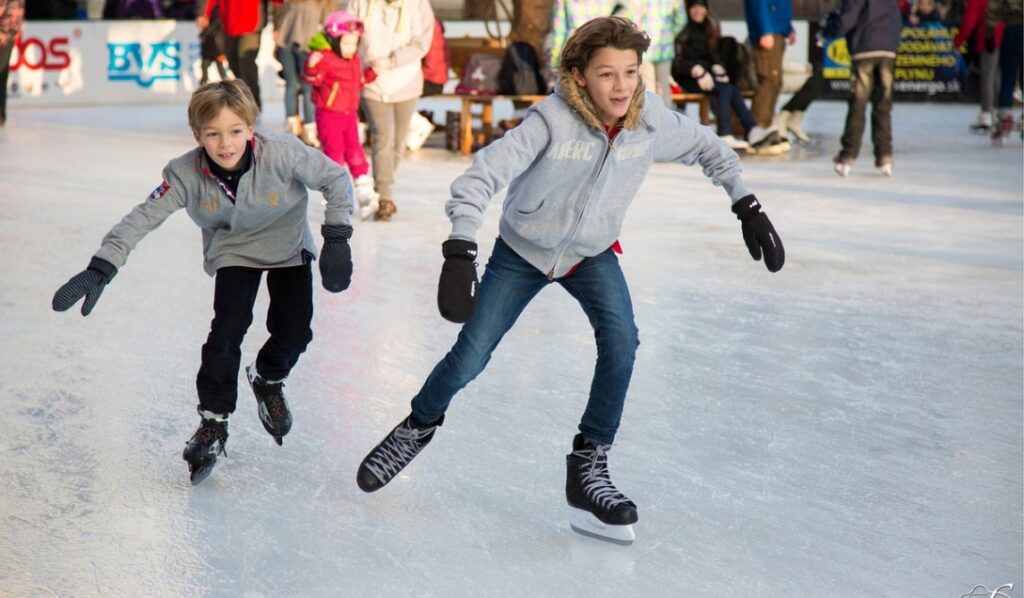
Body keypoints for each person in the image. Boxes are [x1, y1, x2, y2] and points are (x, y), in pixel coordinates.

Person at [353, 16, 784, 546]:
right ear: (579, 76)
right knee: (471, 355)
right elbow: (480, 176)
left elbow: (710, 149)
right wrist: (461, 248)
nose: (622, 85)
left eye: (630, 72)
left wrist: (746, 203)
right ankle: (417, 425)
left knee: (622, 342)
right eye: (607, 74)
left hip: (591, 253)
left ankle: (589, 464)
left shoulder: (649, 122)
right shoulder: (550, 120)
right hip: (522, 251)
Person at [51, 80, 357, 485]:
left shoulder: (282, 153)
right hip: (232, 250)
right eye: (212, 134)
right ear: (198, 135)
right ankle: (213, 421)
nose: (225, 144)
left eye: (234, 131)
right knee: (226, 333)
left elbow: (336, 179)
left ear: (251, 128)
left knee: (295, 331)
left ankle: (267, 376)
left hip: (287, 247)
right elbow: (143, 217)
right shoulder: (183, 174)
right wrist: (102, 265)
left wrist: (337, 235)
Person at [343, 0, 434, 222]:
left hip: (406, 80)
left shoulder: (417, 4)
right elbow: (346, 30)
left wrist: (392, 61)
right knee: (383, 138)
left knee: (399, 143)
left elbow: (422, 42)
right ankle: (385, 197)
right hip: (371, 80)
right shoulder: (360, 3)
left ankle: (381, 186)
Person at [305, 10, 380, 219]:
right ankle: (336, 195)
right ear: (334, 40)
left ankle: (364, 191)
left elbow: (358, 82)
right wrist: (312, 65)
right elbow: (313, 80)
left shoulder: (354, 60)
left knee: (355, 152)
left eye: (354, 44)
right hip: (329, 116)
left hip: (349, 116)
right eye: (346, 44)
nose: (350, 48)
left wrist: (372, 73)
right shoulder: (326, 58)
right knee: (335, 154)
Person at [824, 0, 902, 176]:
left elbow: (848, 17)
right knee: (883, 104)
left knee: (858, 103)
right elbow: (896, 17)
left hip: (864, 47)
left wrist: (828, 31)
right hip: (887, 50)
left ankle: (848, 155)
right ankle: (885, 155)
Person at [672, 0, 759, 151]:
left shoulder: (708, 27)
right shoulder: (683, 29)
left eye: (701, 7)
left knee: (731, 87)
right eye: (694, 7)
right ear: (688, 10)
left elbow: (710, 54)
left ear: (706, 9)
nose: (698, 11)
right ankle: (725, 133)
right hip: (686, 77)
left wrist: (717, 67)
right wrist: (696, 71)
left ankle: (752, 129)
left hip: (705, 74)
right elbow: (678, 61)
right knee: (724, 90)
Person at [274, 0, 328, 147]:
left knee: (303, 87)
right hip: (292, 47)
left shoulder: (320, 3)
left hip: (300, 47)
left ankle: (304, 127)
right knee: (297, 86)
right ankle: (298, 127)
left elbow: (326, 26)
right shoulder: (318, 3)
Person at [613, 0, 687, 108]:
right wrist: (670, 35)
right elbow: (681, 19)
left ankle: (650, 121)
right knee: (664, 87)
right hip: (664, 47)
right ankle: (665, 121)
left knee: (648, 88)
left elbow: (627, 16)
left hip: (644, 46)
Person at [743, 0, 795, 153]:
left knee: (775, 81)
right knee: (768, 79)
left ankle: (767, 126)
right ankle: (758, 129)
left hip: (778, 29)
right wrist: (764, 30)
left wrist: (788, 28)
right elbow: (759, 4)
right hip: (768, 31)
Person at [198, 0, 265, 110]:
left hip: (251, 23)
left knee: (246, 61)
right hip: (229, 24)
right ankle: (244, 98)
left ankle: (253, 103)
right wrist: (203, 13)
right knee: (234, 64)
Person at [954, 0, 1004, 134]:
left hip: (989, 37)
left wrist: (957, 42)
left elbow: (969, 22)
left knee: (988, 76)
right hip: (1004, 35)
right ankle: (994, 112)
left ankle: (986, 114)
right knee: (994, 76)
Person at [987, 0, 1022, 145]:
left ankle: (1004, 121)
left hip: (1013, 28)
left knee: (1008, 78)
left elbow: (994, 8)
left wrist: (989, 33)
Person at [0, 0, 24, 128]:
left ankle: (2, 114)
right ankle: (2, 114)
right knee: (3, 75)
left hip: (5, 36)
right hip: (8, 35)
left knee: (2, 74)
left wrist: (4, 33)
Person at [197, 0, 229, 85]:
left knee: (221, 70)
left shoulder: (219, 10)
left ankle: (229, 88)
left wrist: (204, 33)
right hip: (209, 43)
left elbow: (217, 23)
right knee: (204, 67)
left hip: (217, 44)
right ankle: (203, 86)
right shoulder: (208, 8)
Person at [421, 17, 449, 96]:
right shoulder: (435, 31)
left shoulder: (432, 33)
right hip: (433, 81)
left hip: (432, 83)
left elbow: (432, 65)